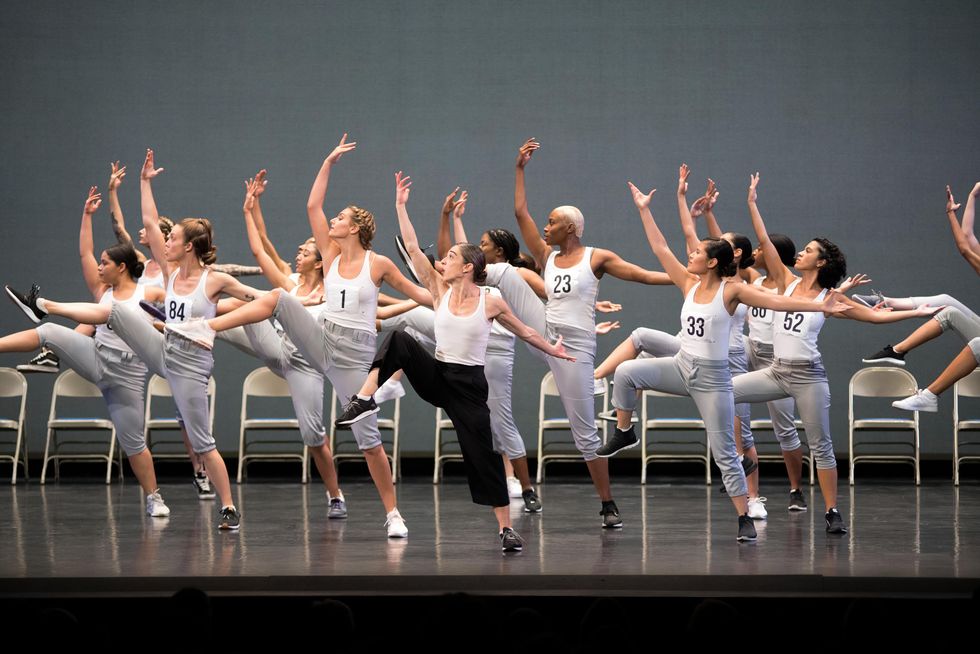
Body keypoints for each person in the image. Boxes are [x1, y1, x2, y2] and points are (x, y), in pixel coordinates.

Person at [335, 171, 575, 551]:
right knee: (398, 337)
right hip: (439, 375)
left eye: (449, 257)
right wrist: (400, 205)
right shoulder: (438, 291)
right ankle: (365, 397)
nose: (442, 260)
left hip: (469, 386)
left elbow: (524, 331)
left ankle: (504, 528)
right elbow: (413, 248)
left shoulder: (490, 300)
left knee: (483, 453)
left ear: (467, 268)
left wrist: (553, 350)